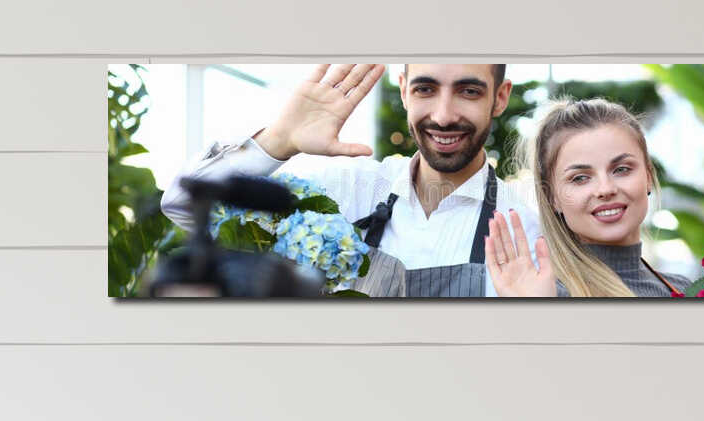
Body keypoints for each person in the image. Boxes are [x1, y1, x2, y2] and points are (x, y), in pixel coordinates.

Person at [161, 63, 544, 298]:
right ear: (404, 90)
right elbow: (182, 205)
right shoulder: (347, 190)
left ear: (499, 97)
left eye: (469, 91)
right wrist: (278, 140)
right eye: (425, 89)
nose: (443, 115)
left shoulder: (527, 228)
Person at [484, 98, 695, 298]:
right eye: (580, 178)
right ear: (552, 197)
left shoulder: (687, 290)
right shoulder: (548, 295)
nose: (605, 189)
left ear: (648, 176)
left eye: (621, 169)